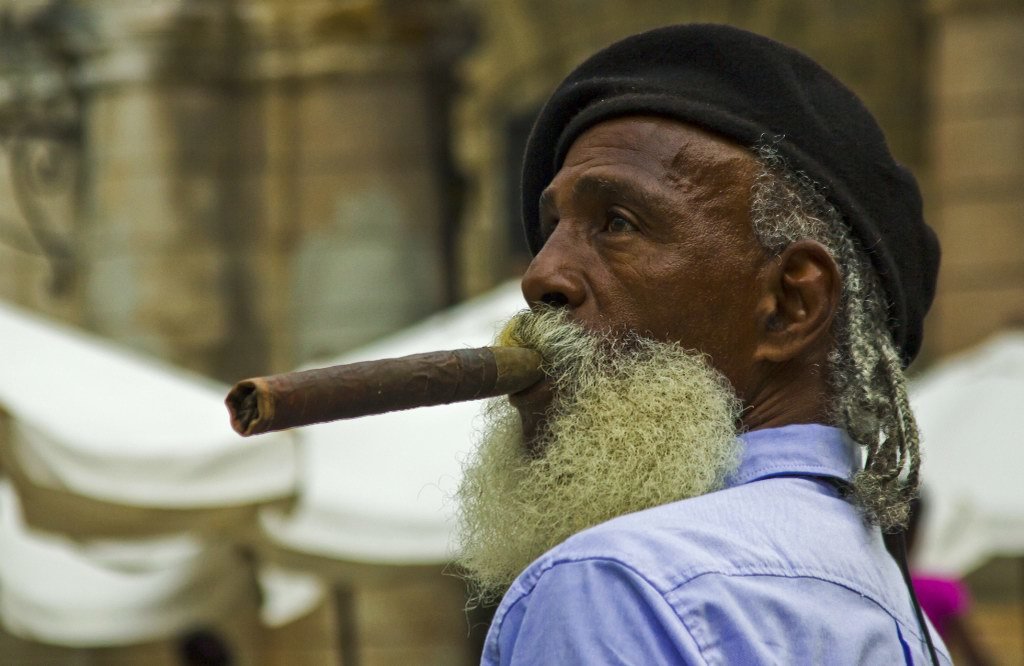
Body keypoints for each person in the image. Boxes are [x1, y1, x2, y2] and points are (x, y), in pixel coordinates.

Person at [453, 24, 952, 664]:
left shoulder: (614, 583)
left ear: (791, 305)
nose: (540, 276)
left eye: (617, 223)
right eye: (553, 228)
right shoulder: (902, 620)